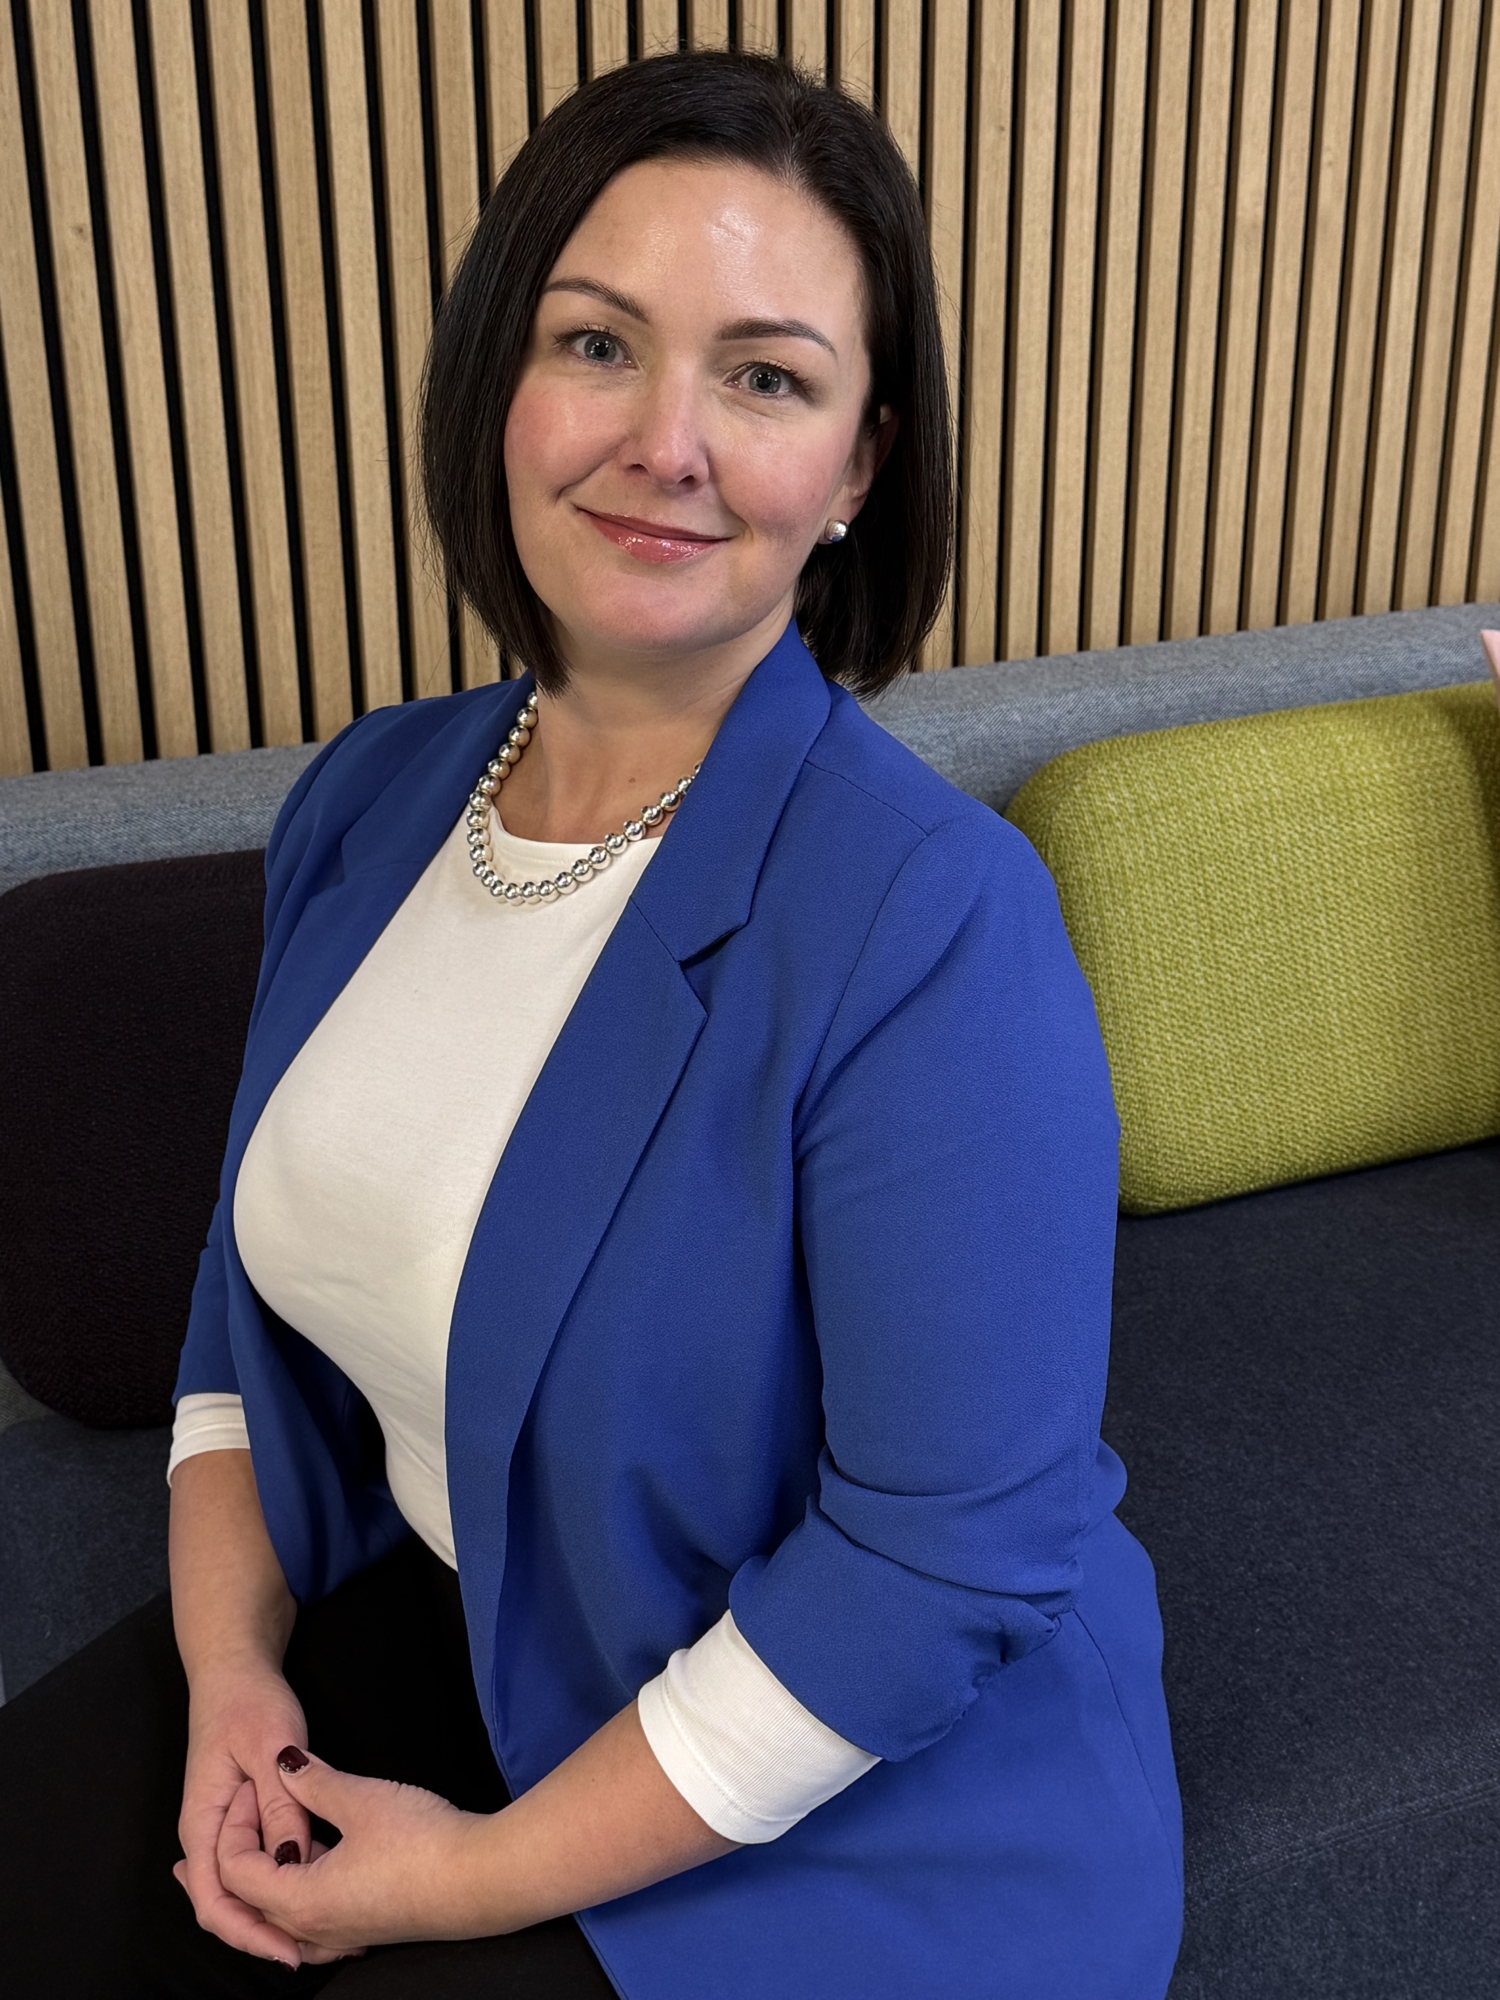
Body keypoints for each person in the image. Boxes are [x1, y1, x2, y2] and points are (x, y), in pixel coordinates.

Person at [1, 50, 1182, 2000]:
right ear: (502, 381)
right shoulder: (368, 800)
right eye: (598, 343)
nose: (667, 440)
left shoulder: (933, 921)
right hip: (464, 1616)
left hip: (845, 1797)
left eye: (767, 377)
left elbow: (933, 1569)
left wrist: (467, 1879)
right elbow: (245, 1300)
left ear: (859, 468)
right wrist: (233, 1673)